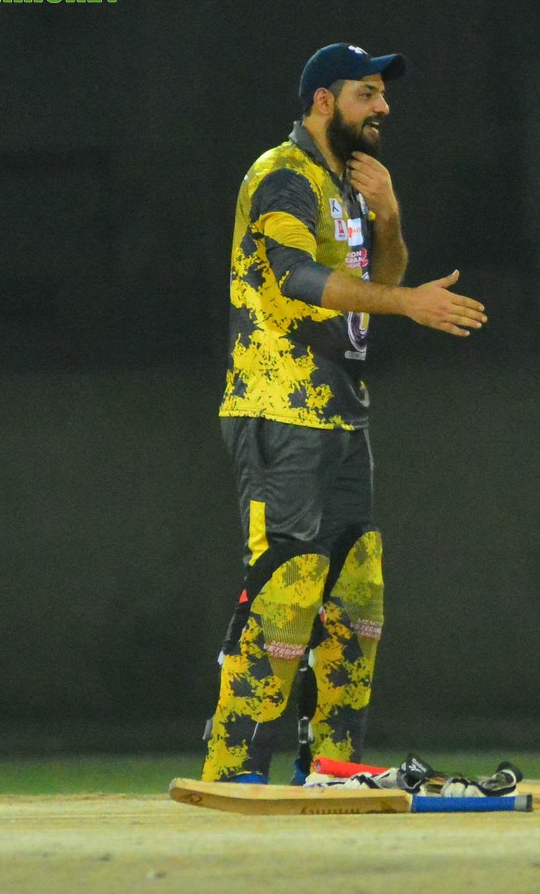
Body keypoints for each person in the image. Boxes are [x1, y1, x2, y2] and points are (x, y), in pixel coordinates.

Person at [202, 43, 488, 784]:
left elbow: (379, 278)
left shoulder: (350, 184)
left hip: (341, 411)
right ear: (323, 101)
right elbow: (295, 279)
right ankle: (235, 767)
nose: (383, 107)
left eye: (382, 94)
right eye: (367, 93)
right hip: (279, 404)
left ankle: (333, 765)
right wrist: (407, 302)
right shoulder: (281, 174)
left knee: (358, 593)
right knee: (286, 584)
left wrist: (388, 214)